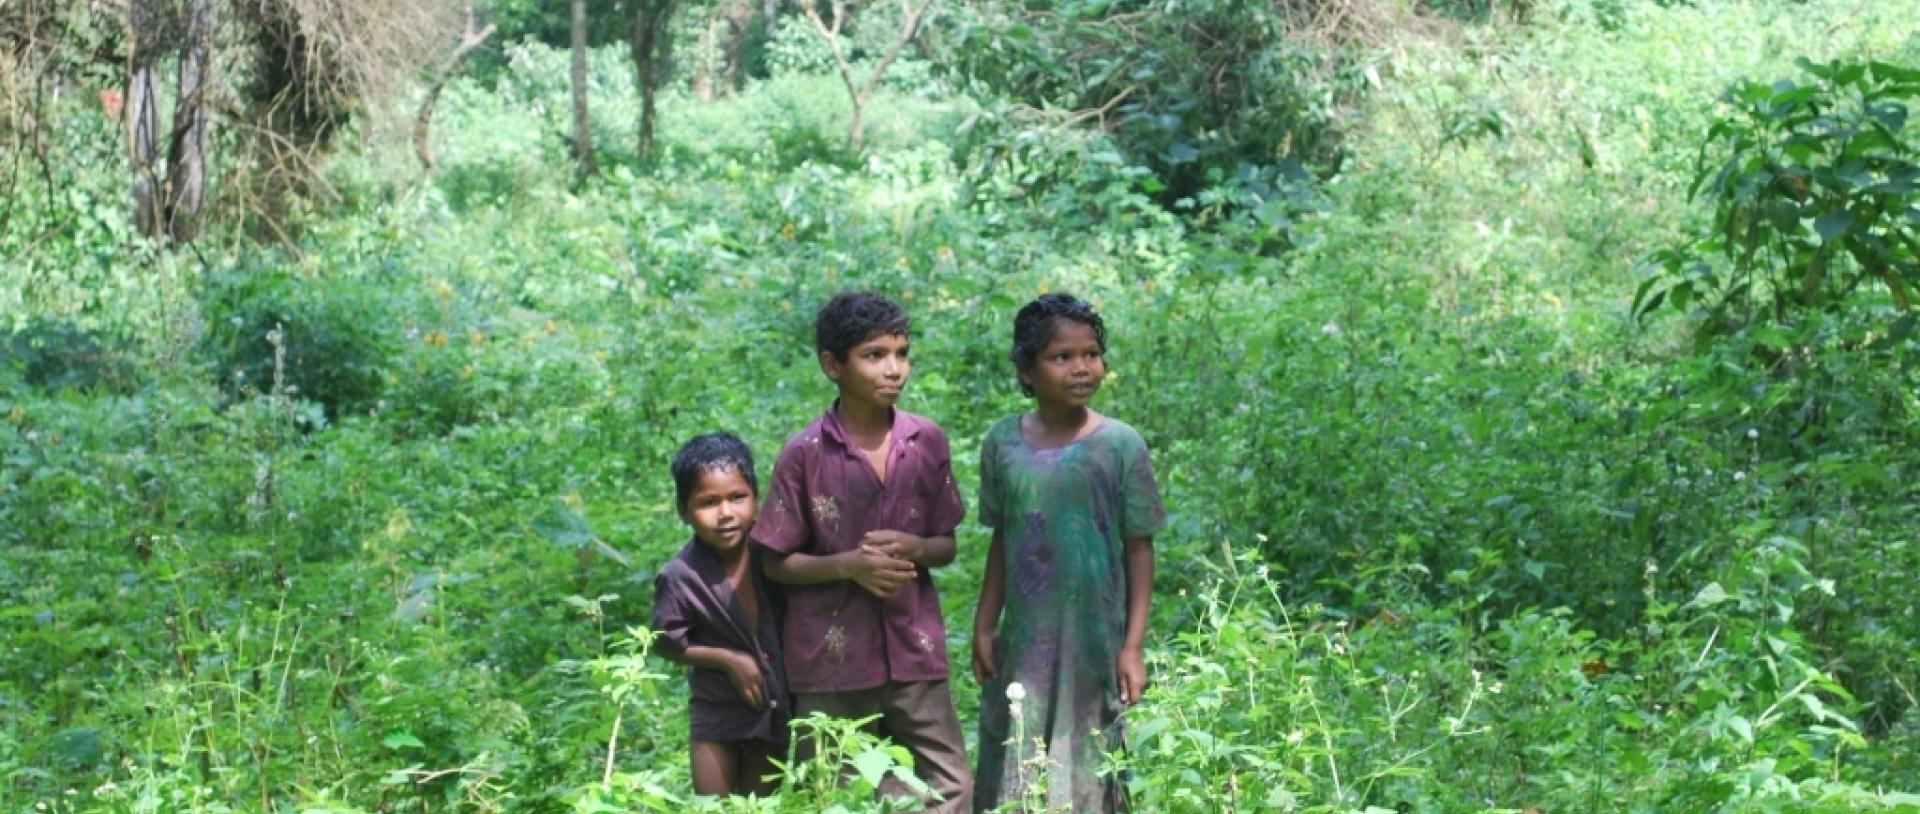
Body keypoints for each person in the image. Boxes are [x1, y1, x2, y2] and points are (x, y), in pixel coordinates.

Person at [751, 291, 972, 813]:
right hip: (831, 657)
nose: (894, 368)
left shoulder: (926, 441)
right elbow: (773, 560)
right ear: (833, 365)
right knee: (832, 789)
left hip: (913, 647)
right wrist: (847, 565)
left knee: (951, 783)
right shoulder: (804, 454)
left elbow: (946, 544)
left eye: (901, 352)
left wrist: (917, 547)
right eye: (875, 355)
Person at [970, 293, 1167, 813]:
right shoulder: (1003, 444)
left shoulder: (1121, 446)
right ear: (1026, 370)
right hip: (1026, 639)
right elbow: (1001, 537)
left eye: (1092, 354)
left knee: (1093, 746)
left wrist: (1133, 646)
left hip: (1094, 638)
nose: (1082, 368)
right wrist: (984, 622)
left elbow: (1139, 548)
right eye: (1062, 357)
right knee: (1018, 737)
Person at [651, 433, 789, 797]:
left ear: (755, 499)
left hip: (773, 705)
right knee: (712, 805)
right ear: (684, 511)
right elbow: (665, 641)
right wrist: (728, 659)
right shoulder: (681, 576)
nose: (725, 513)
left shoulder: (773, 555)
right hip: (717, 710)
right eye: (708, 503)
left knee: (762, 805)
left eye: (737, 498)